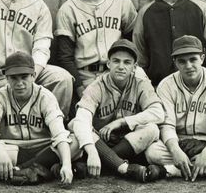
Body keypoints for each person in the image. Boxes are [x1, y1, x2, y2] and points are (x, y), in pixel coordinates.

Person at [145, 36, 206, 181]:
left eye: (193, 59)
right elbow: (166, 125)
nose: (188, 65)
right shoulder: (166, 85)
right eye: (182, 61)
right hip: (179, 141)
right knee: (152, 152)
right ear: (175, 62)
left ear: (202, 58)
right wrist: (175, 150)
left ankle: (169, 171)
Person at [70, 40, 165, 182]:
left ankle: (100, 165)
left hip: (129, 142)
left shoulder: (141, 83)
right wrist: (91, 151)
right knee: (75, 124)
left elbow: (158, 113)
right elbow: (81, 119)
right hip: (101, 141)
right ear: (108, 64)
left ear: (134, 67)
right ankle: (120, 166)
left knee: (152, 129)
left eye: (127, 62)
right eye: (116, 61)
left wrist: (122, 122)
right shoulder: (96, 86)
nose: (121, 67)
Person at [0, 52, 80, 186]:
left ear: (33, 76)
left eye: (24, 77)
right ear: (7, 78)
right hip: (14, 148)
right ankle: (46, 168)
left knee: (76, 142)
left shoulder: (45, 97)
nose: (20, 83)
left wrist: (66, 164)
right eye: (14, 78)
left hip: (43, 146)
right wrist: (1, 151)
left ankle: (18, 171)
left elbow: (59, 134)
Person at [53, 0, 139, 95]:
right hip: (85, 76)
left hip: (117, 71)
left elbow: (133, 41)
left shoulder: (122, 1)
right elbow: (65, 57)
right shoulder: (68, 9)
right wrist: (80, 88)